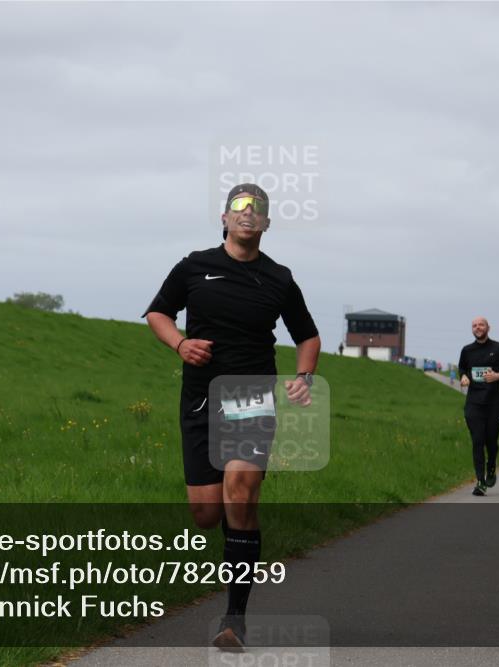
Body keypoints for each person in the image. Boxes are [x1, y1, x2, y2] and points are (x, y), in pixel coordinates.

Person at [143, 183, 321, 651]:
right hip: (201, 399)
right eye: (240, 207)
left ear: (266, 223)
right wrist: (180, 343)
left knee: (240, 495)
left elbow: (308, 336)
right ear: (224, 218)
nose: (248, 213)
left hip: (250, 397)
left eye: (257, 208)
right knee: (206, 513)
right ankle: (236, 543)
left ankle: (233, 620)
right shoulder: (194, 267)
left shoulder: (279, 278)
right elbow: (158, 313)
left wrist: (304, 375)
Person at [459, 317, 499, 496]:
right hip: (474, 403)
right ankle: (480, 481)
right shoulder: (467, 350)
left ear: (488, 328)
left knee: (491, 442)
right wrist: (463, 376)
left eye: (481, 325)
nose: (477, 328)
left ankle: (491, 465)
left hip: (495, 403)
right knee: (477, 441)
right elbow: (462, 368)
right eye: (474, 325)